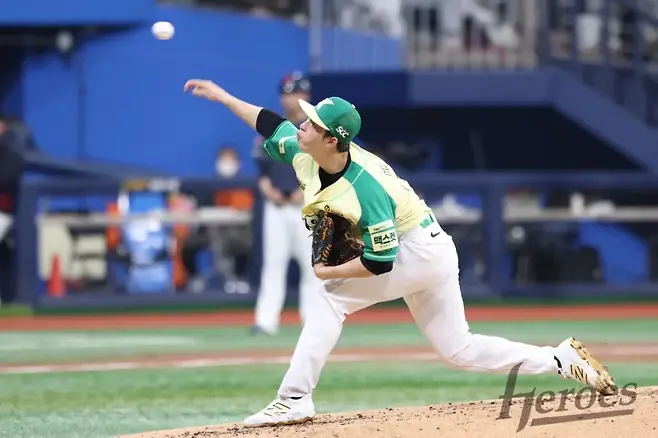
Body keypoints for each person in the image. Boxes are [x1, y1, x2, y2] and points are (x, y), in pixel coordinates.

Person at [183, 78, 617, 428]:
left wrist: (326, 273)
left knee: (330, 298)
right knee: (458, 349)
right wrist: (223, 97)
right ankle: (559, 359)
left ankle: (293, 398)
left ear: (332, 140)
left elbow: (380, 261)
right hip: (430, 246)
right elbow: (269, 124)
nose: (302, 124)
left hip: (418, 250)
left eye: (312, 123)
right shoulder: (305, 151)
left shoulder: (364, 187)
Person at [250, 72, 320, 335]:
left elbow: (325, 167)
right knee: (273, 264)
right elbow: (262, 171)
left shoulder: (316, 128)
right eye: (287, 94)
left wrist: (304, 191)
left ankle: (312, 322)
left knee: (313, 266)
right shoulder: (273, 129)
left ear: (306, 95)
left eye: (296, 93)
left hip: (307, 205)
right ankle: (265, 321)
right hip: (276, 206)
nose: (290, 99)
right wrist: (269, 191)